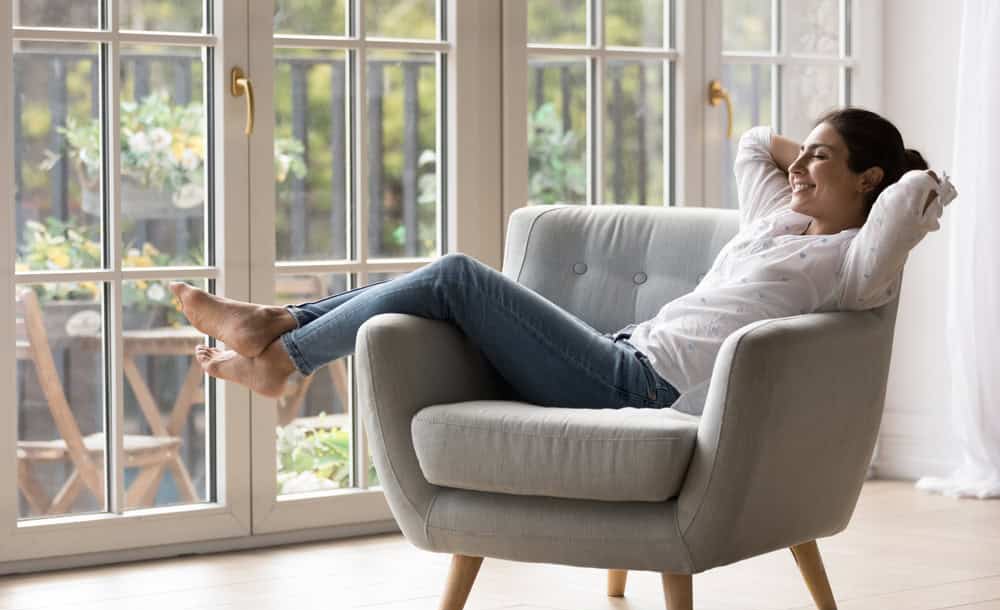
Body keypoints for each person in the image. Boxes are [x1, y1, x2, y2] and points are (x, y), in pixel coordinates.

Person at [170, 106, 957, 415]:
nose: (798, 167)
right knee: (447, 295)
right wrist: (818, 157)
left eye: (822, 160)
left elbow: (922, 190)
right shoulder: (775, 223)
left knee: (455, 276)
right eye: (805, 154)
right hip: (621, 353)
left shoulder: (857, 261)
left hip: (642, 387)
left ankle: (284, 347)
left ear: (868, 180)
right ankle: (278, 333)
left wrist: (865, 170)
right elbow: (754, 140)